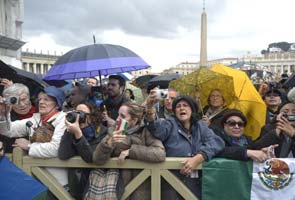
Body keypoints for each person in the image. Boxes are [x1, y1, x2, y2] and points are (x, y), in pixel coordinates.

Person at [145, 94, 225, 199]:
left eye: (185, 105)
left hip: (196, 183)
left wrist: (199, 157)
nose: (182, 108)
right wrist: (150, 109)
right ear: (174, 111)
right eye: (178, 106)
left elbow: (217, 142)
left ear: (192, 109)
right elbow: (156, 129)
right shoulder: (170, 123)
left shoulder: (200, 125)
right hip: (171, 182)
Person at [0, 86, 68, 197]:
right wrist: (3, 113)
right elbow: (8, 131)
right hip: (36, 180)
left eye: (46, 99)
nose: (41, 102)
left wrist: (29, 146)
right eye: (40, 99)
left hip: (58, 181)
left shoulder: (64, 119)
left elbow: (56, 149)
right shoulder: (36, 119)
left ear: (57, 103)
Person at [92, 101, 165, 200]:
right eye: (118, 115)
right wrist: (109, 143)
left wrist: (131, 151)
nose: (117, 119)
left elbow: (159, 154)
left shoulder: (146, 131)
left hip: (141, 190)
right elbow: (97, 159)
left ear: (134, 120)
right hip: (115, 189)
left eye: (122, 116)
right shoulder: (113, 130)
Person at [58, 100, 107, 200]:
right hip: (76, 183)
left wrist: (78, 134)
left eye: (82, 114)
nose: (78, 116)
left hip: (96, 183)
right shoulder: (71, 130)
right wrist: (68, 130)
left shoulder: (102, 131)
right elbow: (63, 155)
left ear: (92, 116)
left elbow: (90, 158)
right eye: (76, 112)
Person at [0, 83, 37, 152]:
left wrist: (29, 145)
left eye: (24, 99)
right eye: (16, 101)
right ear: (8, 101)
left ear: (29, 97)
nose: (22, 105)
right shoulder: (5, 116)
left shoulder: (41, 112)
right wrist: (3, 113)